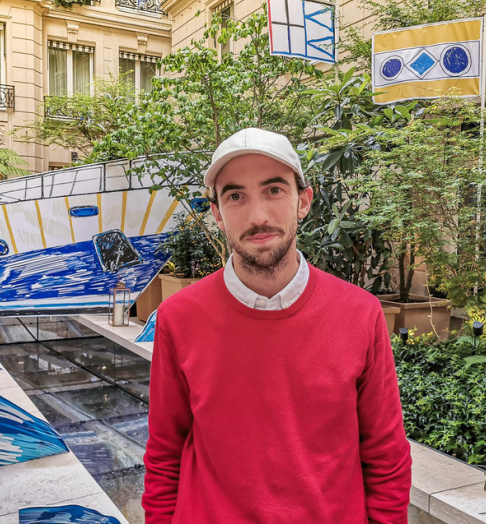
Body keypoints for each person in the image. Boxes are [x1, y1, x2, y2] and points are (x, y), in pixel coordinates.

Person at [142, 127, 412, 523]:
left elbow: (385, 456)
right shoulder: (179, 317)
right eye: (236, 196)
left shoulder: (360, 314)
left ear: (303, 201)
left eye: (274, 190)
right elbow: (165, 453)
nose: (258, 216)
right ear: (216, 212)